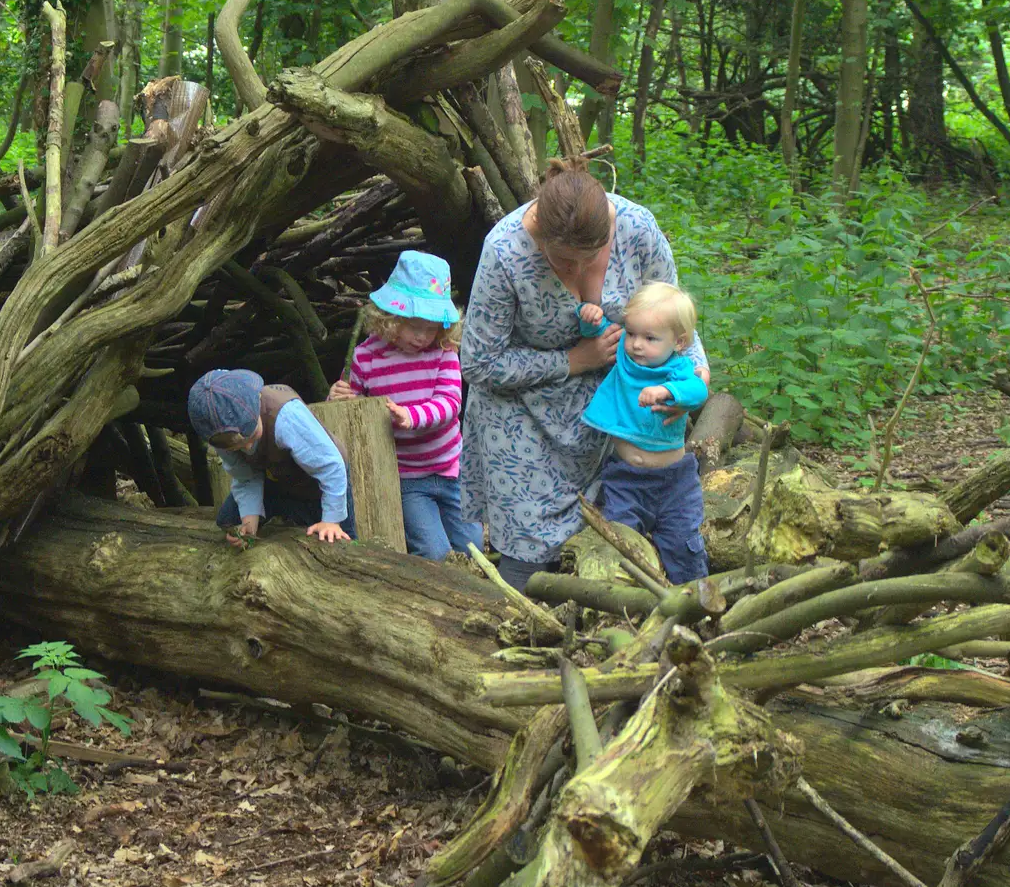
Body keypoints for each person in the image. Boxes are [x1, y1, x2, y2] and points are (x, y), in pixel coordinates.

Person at [460, 156, 710, 591]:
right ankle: (509, 626)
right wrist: (575, 360)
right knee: (528, 559)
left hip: (618, 416)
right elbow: (479, 361)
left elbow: (678, 317)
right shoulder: (504, 250)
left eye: (587, 260)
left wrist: (698, 376)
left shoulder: (638, 230)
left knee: (612, 540)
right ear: (540, 232)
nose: (575, 271)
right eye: (562, 261)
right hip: (523, 415)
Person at [328, 250, 481, 561]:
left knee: (472, 548)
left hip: (453, 470)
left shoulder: (444, 351)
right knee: (434, 552)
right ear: (391, 317)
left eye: (431, 326)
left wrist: (410, 417)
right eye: (414, 325)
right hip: (408, 478)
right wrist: (340, 400)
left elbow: (450, 403)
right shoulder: (366, 357)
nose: (422, 336)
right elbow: (357, 409)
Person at [581, 282, 710, 583]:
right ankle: (622, 604)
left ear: (679, 343)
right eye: (633, 333)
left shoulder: (678, 369)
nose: (637, 344)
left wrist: (667, 391)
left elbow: (697, 390)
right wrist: (586, 317)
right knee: (619, 542)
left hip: (675, 483)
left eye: (650, 338)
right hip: (625, 479)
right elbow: (599, 331)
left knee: (683, 546)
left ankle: (694, 603)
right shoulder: (626, 357)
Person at [188, 369, 355, 546]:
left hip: (320, 483)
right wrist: (249, 521)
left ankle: (308, 518)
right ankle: (289, 520)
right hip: (277, 481)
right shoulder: (221, 435)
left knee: (337, 540)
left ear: (258, 402)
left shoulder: (287, 417)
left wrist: (331, 520)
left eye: (251, 436)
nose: (248, 447)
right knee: (228, 521)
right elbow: (246, 478)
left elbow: (331, 467)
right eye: (236, 447)